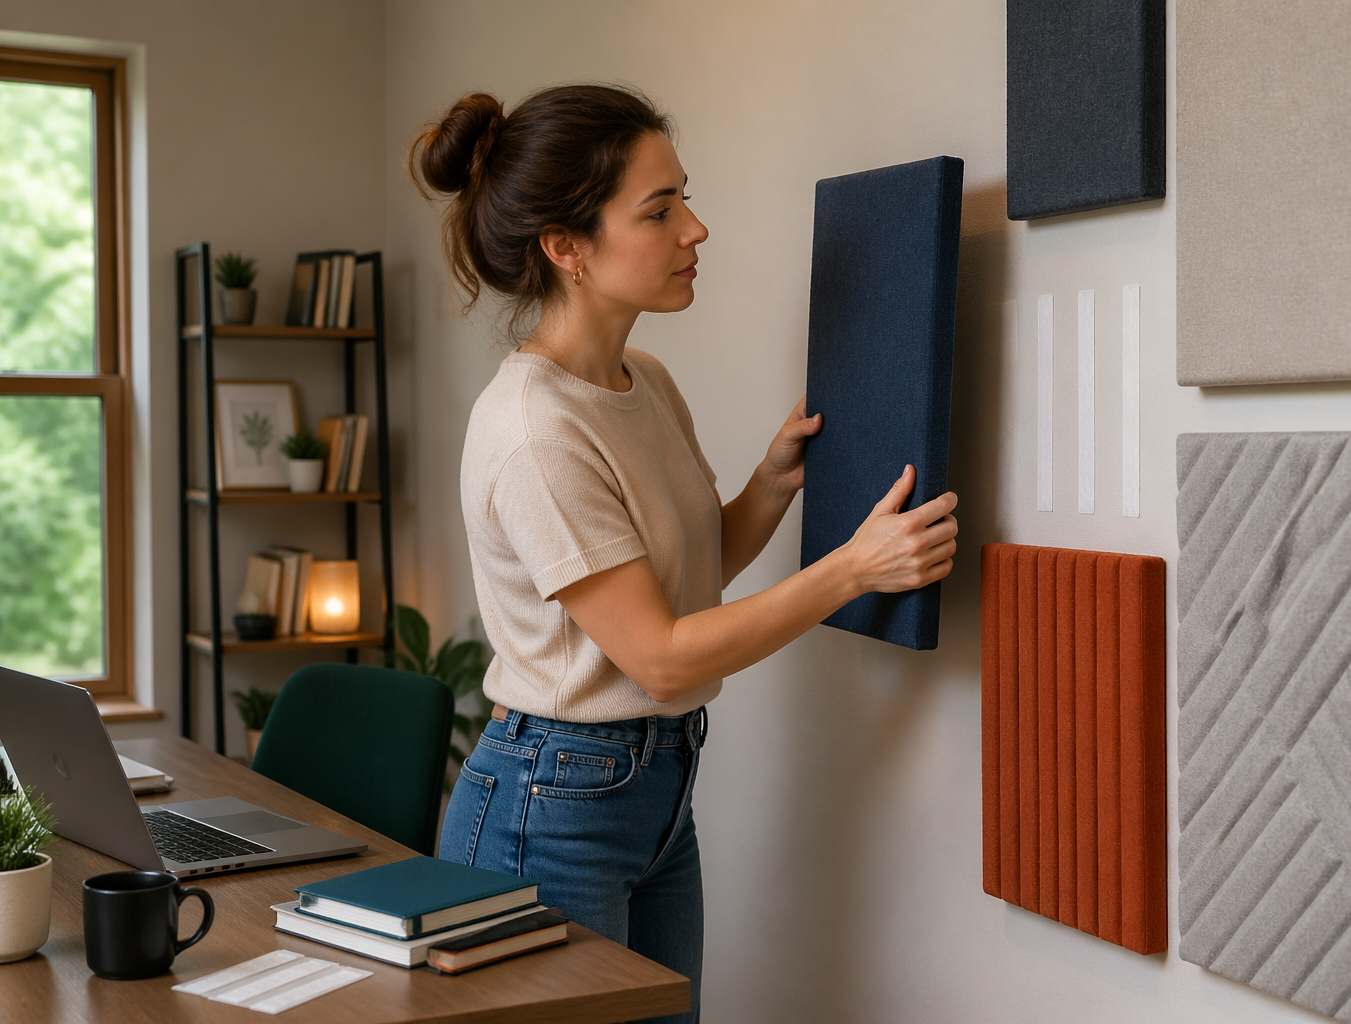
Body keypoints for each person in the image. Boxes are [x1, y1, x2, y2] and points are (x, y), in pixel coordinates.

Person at [408, 84, 957, 1022]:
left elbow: (685, 585)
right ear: (566, 246)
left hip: (655, 792)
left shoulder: (642, 380)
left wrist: (771, 486)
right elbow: (660, 658)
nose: (695, 229)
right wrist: (852, 571)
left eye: (684, 198)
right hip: (553, 805)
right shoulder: (535, 433)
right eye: (658, 211)